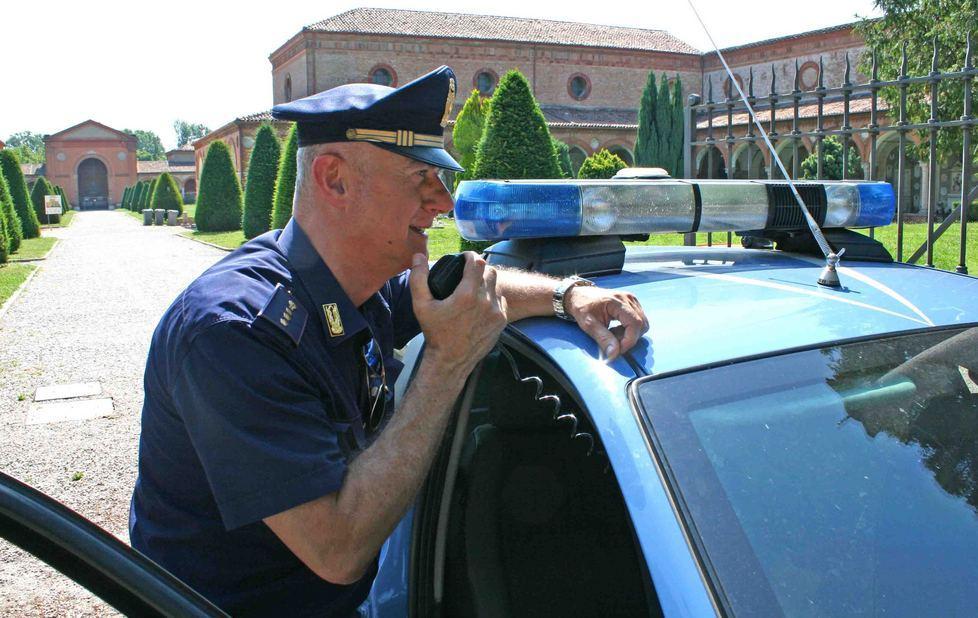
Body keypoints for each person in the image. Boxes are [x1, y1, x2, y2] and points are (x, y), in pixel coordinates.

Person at [129, 66, 649, 616]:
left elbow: (465, 284)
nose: (442, 203)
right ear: (334, 180)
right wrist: (448, 362)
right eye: (419, 179)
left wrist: (566, 294)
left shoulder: (354, 280)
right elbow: (337, 550)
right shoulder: (236, 333)